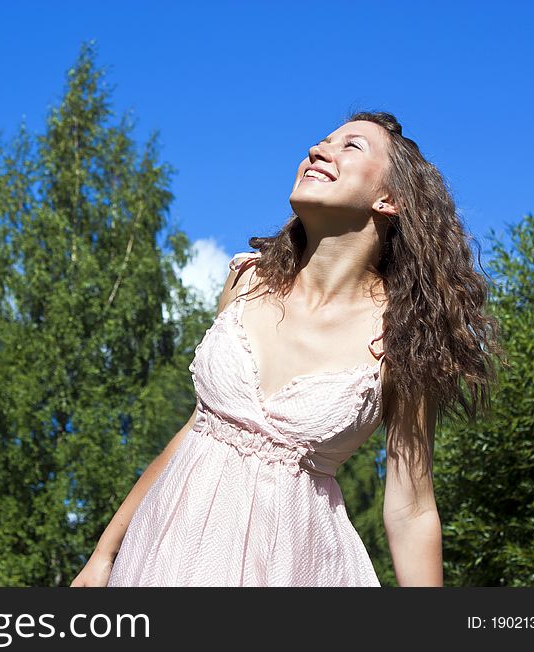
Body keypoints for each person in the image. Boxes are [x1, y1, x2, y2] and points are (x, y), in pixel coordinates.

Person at [70, 110, 503, 587]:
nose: (319, 150)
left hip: (295, 568)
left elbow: (411, 509)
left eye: (350, 146)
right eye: (321, 142)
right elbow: (198, 428)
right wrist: (104, 553)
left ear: (390, 198)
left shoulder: (407, 336)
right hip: (165, 555)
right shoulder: (246, 280)